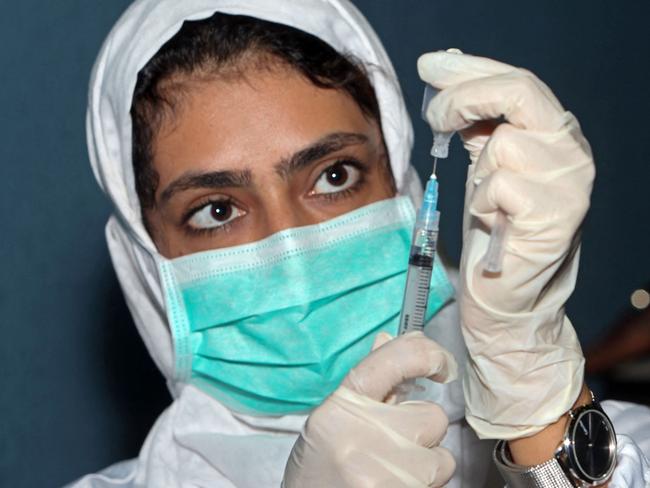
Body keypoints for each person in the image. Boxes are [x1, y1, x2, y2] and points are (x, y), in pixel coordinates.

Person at [69, 0, 650, 486]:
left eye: (333, 176)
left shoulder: (621, 451)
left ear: (401, 184)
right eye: (217, 211)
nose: (292, 251)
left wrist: (538, 409)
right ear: (147, 264)